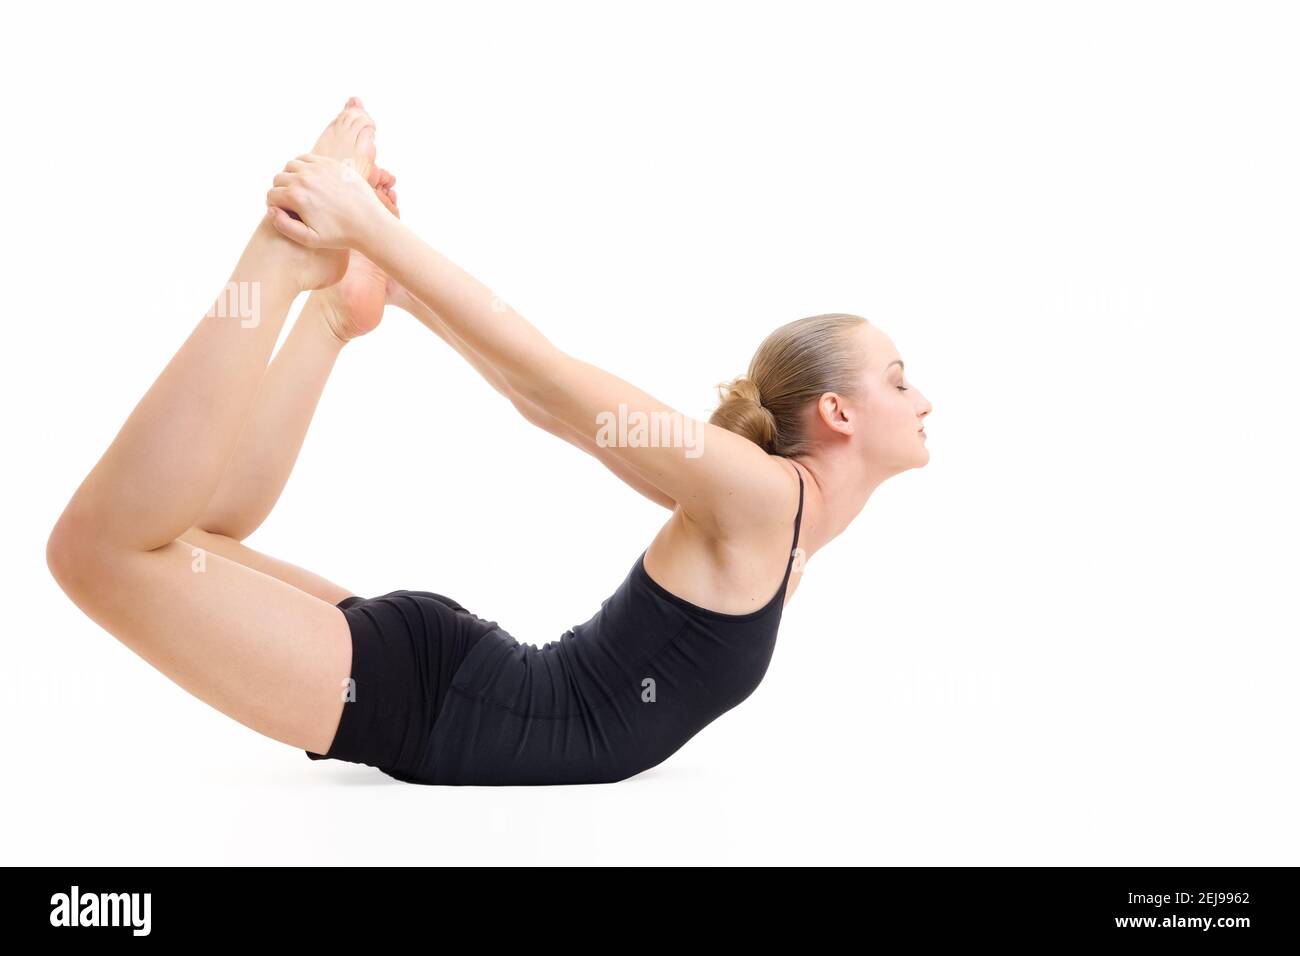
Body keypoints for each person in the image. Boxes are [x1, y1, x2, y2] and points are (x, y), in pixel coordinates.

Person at [46, 99, 932, 785]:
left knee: (194, 542)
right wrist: (368, 228)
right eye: (898, 378)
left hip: (448, 679)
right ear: (837, 414)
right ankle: (279, 263)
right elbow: (545, 380)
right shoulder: (764, 496)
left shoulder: (784, 518)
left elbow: (538, 400)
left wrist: (386, 286)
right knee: (98, 550)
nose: (922, 397)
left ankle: (327, 315)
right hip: (437, 701)